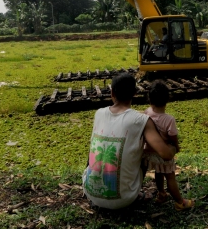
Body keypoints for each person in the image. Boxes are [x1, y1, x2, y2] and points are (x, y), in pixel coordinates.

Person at [82, 73, 174, 209]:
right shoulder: (141, 120)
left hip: (91, 193)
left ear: (112, 92)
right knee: (144, 153)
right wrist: (173, 146)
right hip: (124, 199)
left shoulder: (99, 113)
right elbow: (165, 154)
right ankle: (135, 194)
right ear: (135, 93)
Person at [143, 80, 195, 211]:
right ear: (167, 100)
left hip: (150, 151)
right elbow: (173, 136)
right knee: (170, 176)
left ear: (149, 99)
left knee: (159, 172)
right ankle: (179, 202)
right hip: (164, 152)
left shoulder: (146, 113)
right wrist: (176, 146)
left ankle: (161, 193)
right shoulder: (169, 119)